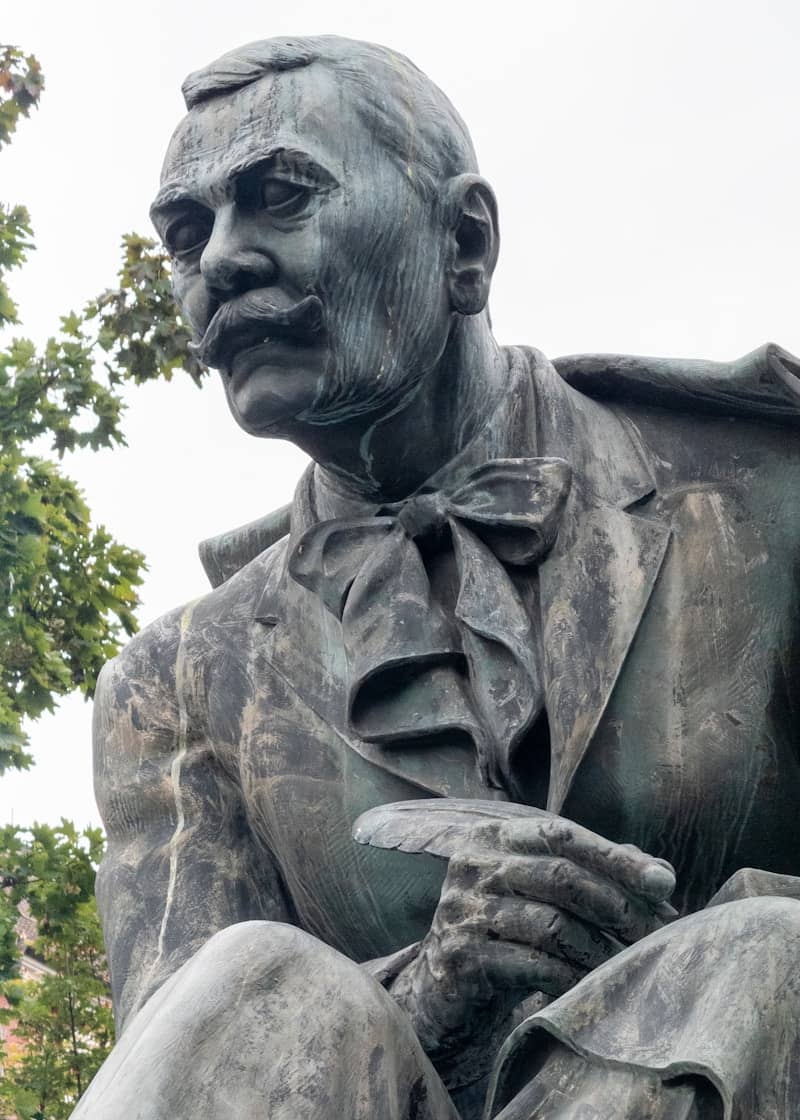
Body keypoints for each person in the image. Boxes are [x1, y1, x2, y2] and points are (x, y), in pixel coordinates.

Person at [74, 36, 800, 1120]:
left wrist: (682, 960)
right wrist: (431, 988)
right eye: (186, 233)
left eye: (280, 197)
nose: (218, 259)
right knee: (249, 987)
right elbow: (183, 1056)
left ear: (464, 242)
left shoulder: (761, 500)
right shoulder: (175, 680)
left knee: (759, 955)